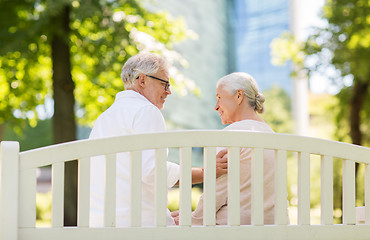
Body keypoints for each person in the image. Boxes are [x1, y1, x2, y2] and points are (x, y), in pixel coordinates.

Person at [89, 52, 227, 227]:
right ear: (142, 80)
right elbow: (152, 171)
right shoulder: (146, 111)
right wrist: (205, 172)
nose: (169, 91)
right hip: (140, 225)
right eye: (165, 84)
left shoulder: (104, 118)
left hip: (100, 224)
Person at [173, 72, 279, 225]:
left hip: (234, 227)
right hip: (272, 225)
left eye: (219, 98)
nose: (216, 107)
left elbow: (217, 192)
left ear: (238, 96)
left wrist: (194, 219)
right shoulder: (272, 135)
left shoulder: (230, 136)